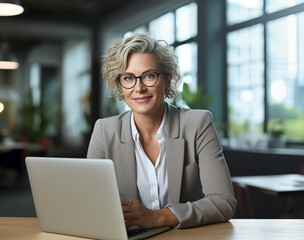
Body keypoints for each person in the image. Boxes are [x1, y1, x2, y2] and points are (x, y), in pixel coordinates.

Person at [87, 33, 237, 229]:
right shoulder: (104, 131)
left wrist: (159, 217)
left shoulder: (197, 124)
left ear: (167, 80)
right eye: (128, 78)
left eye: (149, 75)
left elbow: (223, 202)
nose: (138, 88)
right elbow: (89, 203)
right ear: (120, 85)